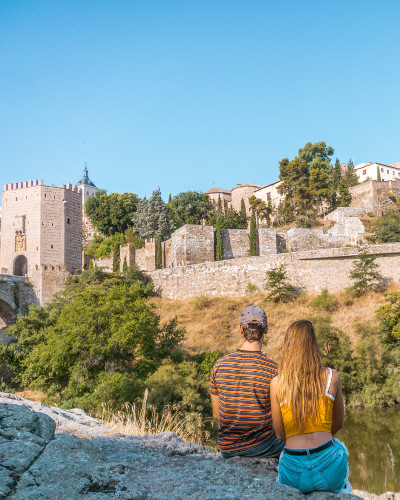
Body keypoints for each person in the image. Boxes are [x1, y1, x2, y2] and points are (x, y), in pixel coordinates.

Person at [270, 319, 351, 494]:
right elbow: (338, 424)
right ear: (313, 344)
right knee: (341, 449)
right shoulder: (332, 376)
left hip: (293, 471)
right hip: (329, 468)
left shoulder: (277, 383)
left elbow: (280, 433)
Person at [209, 305, 284, 458]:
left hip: (227, 448)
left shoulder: (219, 365)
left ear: (240, 329)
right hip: (262, 447)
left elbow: (217, 414)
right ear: (266, 329)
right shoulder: (273, 369)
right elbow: (279, 422)